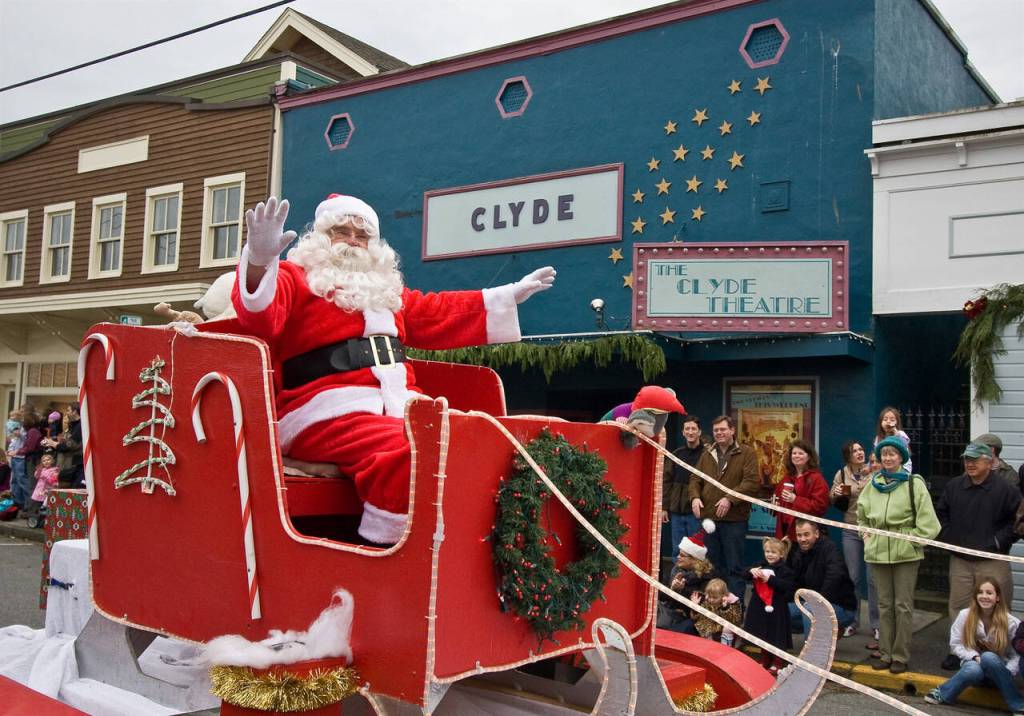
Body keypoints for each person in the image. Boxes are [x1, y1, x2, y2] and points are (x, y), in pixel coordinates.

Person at [232, 195, 555, 544]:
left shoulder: (386, 291)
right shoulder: (297, 278)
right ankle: (385, 546)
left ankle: (477, 545)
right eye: (342, 231)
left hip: (400, 407)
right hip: (325, 411)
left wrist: (506, 296)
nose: (354, 240)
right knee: (412, 451)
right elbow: (259, 315)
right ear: (321, 237)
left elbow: (439, 311)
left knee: (469, 438)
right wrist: (260, 262)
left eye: (363, 235)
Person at [857, 436, 940, 674]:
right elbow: (861, 515)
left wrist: (913, 540)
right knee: (884, 605)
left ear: (902, 457)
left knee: (902, 606)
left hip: (905, 552)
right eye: (884, 454)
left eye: (893, 453)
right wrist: (866, 535)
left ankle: (900, 656)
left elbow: (929, 523)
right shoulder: (873, 483)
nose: (888, 458)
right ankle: (885, 653)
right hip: (878, 550)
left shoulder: (915, 483)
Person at [935, 440, 1020, 670]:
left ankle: (1000, 653)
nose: (970, 464)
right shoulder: (954, 486)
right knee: (959, 606)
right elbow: (940, 515)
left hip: (993, 560)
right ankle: (958, 650)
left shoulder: (1005, 489)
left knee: (997, 608)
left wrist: (997, 541)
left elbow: (1017, 522)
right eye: (967, 459)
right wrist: (950, 539)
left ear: (989, 461)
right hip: (961, 560)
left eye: (975, 460)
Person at [925, 579, 1024, 713]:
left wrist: (1008, 672)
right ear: (975, 596)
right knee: (973, 668)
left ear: (998, 598)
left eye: (989, 593)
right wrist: (975, 656)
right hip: (975, 673)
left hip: (1001, 674)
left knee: (989, 657)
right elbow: (956, 644)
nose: (984, 596)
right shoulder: (965, 615)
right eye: (980, 592)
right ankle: (942, 693)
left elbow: (1017, 655)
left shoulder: (1011, 622)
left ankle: (1017, 705)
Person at [689, 415, 760, 600]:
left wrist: (729, 499)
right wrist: (695, 498)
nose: (719, 433)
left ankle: (735, 612)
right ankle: (715, 610)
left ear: (732, 430)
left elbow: (751, 483)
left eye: (723, 429)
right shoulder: (707, 454)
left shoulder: (747, 453)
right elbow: (695, 479)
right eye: (716, 430)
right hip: (709, 519)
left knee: (734, 568)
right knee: (712, 568)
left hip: (734, 521)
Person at [831, 440, 880, 644]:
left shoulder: (874, 471)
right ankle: (852, 621)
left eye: (861, 450)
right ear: (848, 456)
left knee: (872, 578)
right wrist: (835, 494)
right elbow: (832, 498)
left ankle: (876, 625)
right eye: (854, 451)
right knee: (853, 577)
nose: (859, 453)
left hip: (871, 529)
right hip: (850, 528)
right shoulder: (842, 474)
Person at [786, 518, 857, 636]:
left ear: (817, 534)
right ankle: (777, 651)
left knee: (811, 609)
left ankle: (814, 652)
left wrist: (818, 601)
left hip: (842, 608)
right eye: (799, 535)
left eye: (806, 534)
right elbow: (793, 583)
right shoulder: (798, 552)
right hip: (810, 602)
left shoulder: (829, 549)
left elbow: (835, 576)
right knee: (780, 610)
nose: (802, 539)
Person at [743, 537, 796, 675]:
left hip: (777, 607)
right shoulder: (760, 565)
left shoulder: (785, 570)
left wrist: (771, 580)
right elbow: (744, 574)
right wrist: (751, 571)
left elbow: (788, 585)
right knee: (763, 633)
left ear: (781, 554)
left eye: (773, 552)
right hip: (760, 605)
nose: (769, 554)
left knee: (777, 634)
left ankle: (778, 661)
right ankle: (764, 658)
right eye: (767, 551)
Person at [662, 520, 722, 634]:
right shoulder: (675, 570)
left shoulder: (709, 578)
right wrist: (672, 589)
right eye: (679, 553)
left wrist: (681, 590)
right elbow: (662, 595)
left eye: (682, 555)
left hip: (696, 621)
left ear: (695, 559)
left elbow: (703, 605)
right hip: (673, 614)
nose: (678, 557)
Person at [662, 415, 705, 559]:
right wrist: (664, 507)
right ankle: (677, 581)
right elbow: (666, 481)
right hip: (676, 513)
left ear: (699, 432)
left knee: (696, 552)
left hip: (697, 513)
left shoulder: (707, 455)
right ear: (683, 432)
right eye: (687, 429)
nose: (690, 432)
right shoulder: (677, 454)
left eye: (694, 429)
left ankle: (694, 581)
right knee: (677, 551)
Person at [772, 439, 829, 542]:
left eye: (800, 453)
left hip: (805, 535)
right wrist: (775, 504)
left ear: (809, 457)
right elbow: (777, 500)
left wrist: (795, 500)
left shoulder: (817, 479)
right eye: (794, 453)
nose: (796, 456)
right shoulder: (786, 477)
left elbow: (820, 507)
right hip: (785, 532)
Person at [42, 402, 84, 487]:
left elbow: (70, 445)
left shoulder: (80, 426)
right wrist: (53, 443)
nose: (67, 413)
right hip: (65, 463)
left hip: (72, 465)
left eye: (68, 410)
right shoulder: (73, 426)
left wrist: (53, 443)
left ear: (74, 411)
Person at [692, 578, 742, 646]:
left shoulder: (732, 602)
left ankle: (725, 648)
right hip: (711, 629)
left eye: (715, 597)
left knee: (727, 627)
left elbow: (735, 620)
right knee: (703, 624)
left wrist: (725, 608)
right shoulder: (706, 600)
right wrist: (695, 607)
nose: (711, 600)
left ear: (723, 595)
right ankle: (709, 646)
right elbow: (697, 618)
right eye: (709, 596)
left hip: (725, 631)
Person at [874, 406, 912, 473]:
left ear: (897, 422)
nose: (888, 422)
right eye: (885, 419)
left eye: (892, 420)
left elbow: (905, 445)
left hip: (903, 468)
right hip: (885, 468)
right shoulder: (878, 438)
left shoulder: (900, 434)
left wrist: (896, 433)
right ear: (880, 423)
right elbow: (875, 454)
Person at [26, 452, 59, 522]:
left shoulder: (54, 470)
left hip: (46, 491)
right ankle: (34, 517)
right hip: (38, 491)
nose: (46, 462)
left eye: (48, 460)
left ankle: (43, 519)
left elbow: (53, 481)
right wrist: (38, 471)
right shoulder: (42, 469)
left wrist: (45, 477)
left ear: (52, 461)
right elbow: (36, 476)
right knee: (35, 504)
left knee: (44, 506)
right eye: (44, 461)